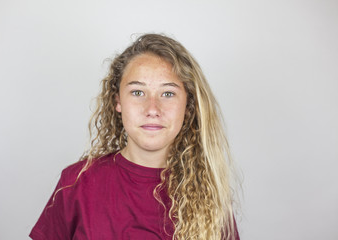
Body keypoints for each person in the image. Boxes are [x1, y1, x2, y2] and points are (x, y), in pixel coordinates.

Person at [30, 33, 240, 240]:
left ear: (188, 106)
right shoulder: (75, 183)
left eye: (168, 93)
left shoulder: (208, 197)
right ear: (118, 101)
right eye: (138, 92)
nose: (152, 109)